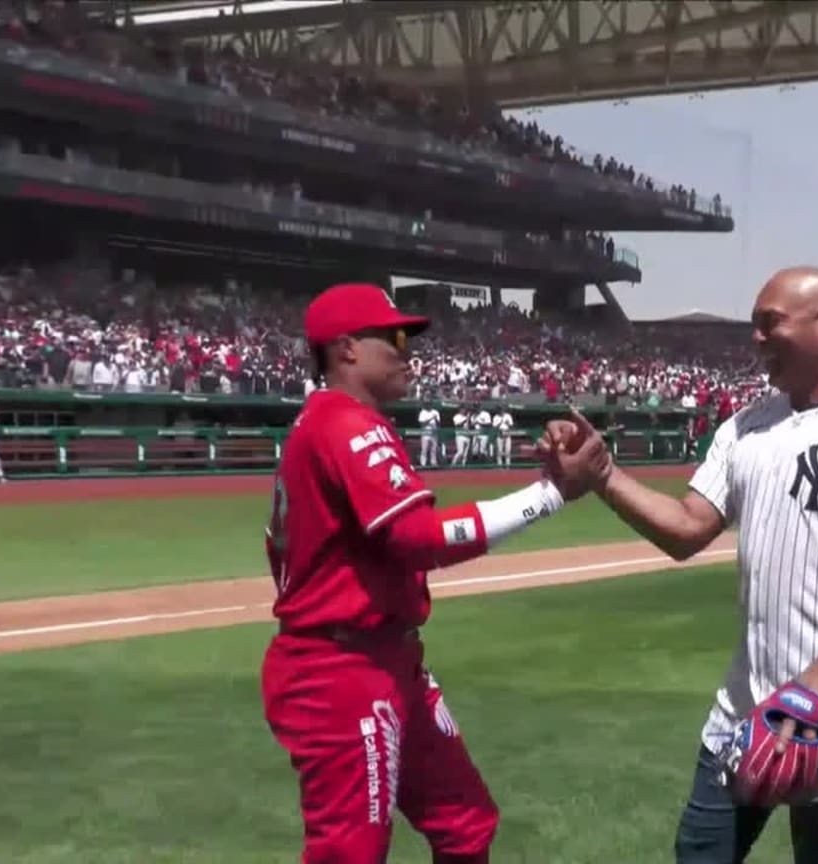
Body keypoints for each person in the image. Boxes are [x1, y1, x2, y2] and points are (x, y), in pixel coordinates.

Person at [540, 266, 818, 864]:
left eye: (768, 323)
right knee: (698, 855)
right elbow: (688, 529)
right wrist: (602, 476)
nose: (754, 338)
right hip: (746, 709)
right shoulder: (745, 428)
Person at [258, 283, 606, 863]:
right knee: (351, 853)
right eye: (394, 337)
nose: (407, 350)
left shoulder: (327, 423)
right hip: (343, 669)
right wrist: (550, 495)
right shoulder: (344, 423)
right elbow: (418, 538)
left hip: (386, 657)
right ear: (346, 349)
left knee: (465, 822)